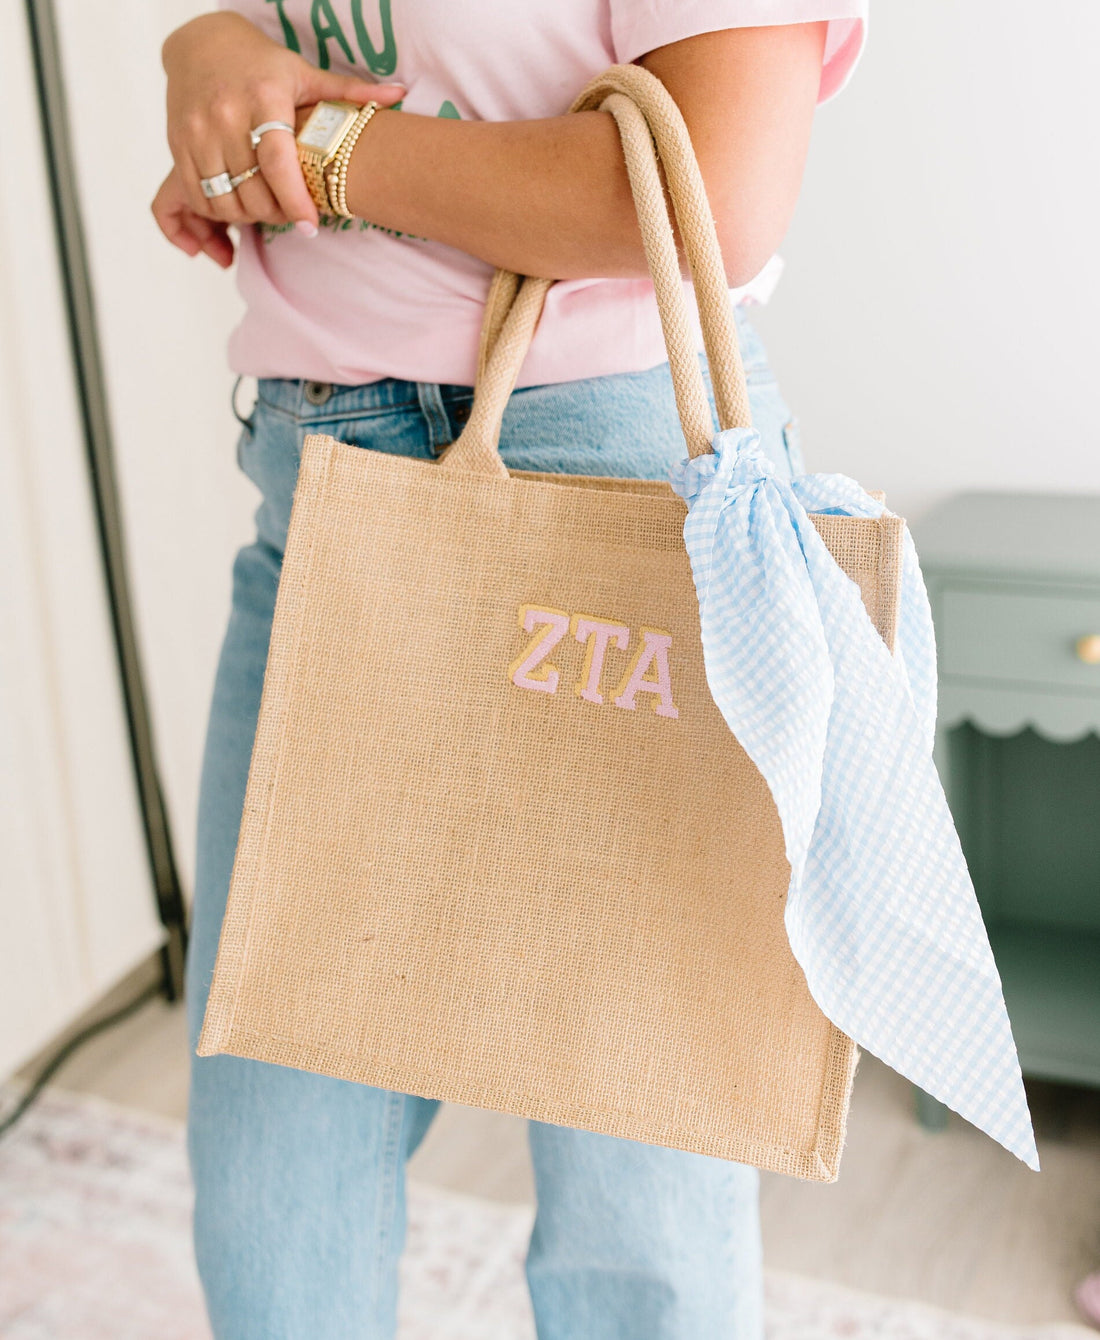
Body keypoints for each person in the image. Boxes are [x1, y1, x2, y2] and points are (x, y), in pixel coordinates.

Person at [153, 3, 866, 1336]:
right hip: (319, 478)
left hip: (610, 465)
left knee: (639, 1181)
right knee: (269, 1166)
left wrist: (322, 147)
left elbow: (709, 185)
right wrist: (202, 61)